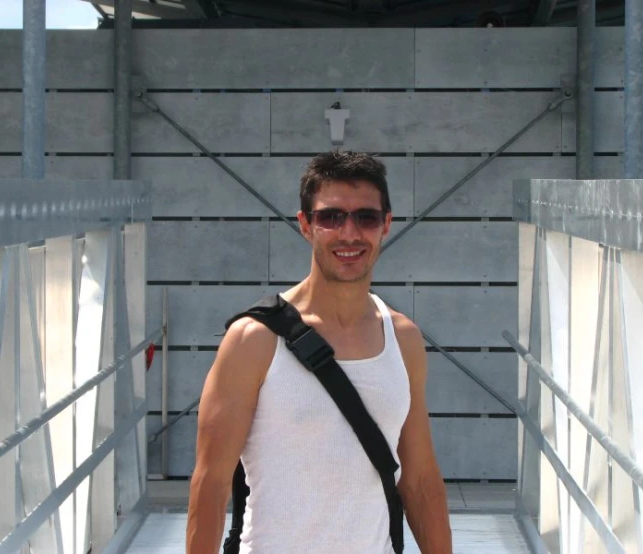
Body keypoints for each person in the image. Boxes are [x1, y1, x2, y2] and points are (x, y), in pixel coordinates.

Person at [186, 151, 453, 554]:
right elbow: (211, 483)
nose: (349, 234)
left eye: (366, 217)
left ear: (386, 225)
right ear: (306, 225)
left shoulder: (404, 340)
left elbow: (419, 479)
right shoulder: (253, 340)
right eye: (331, 217)